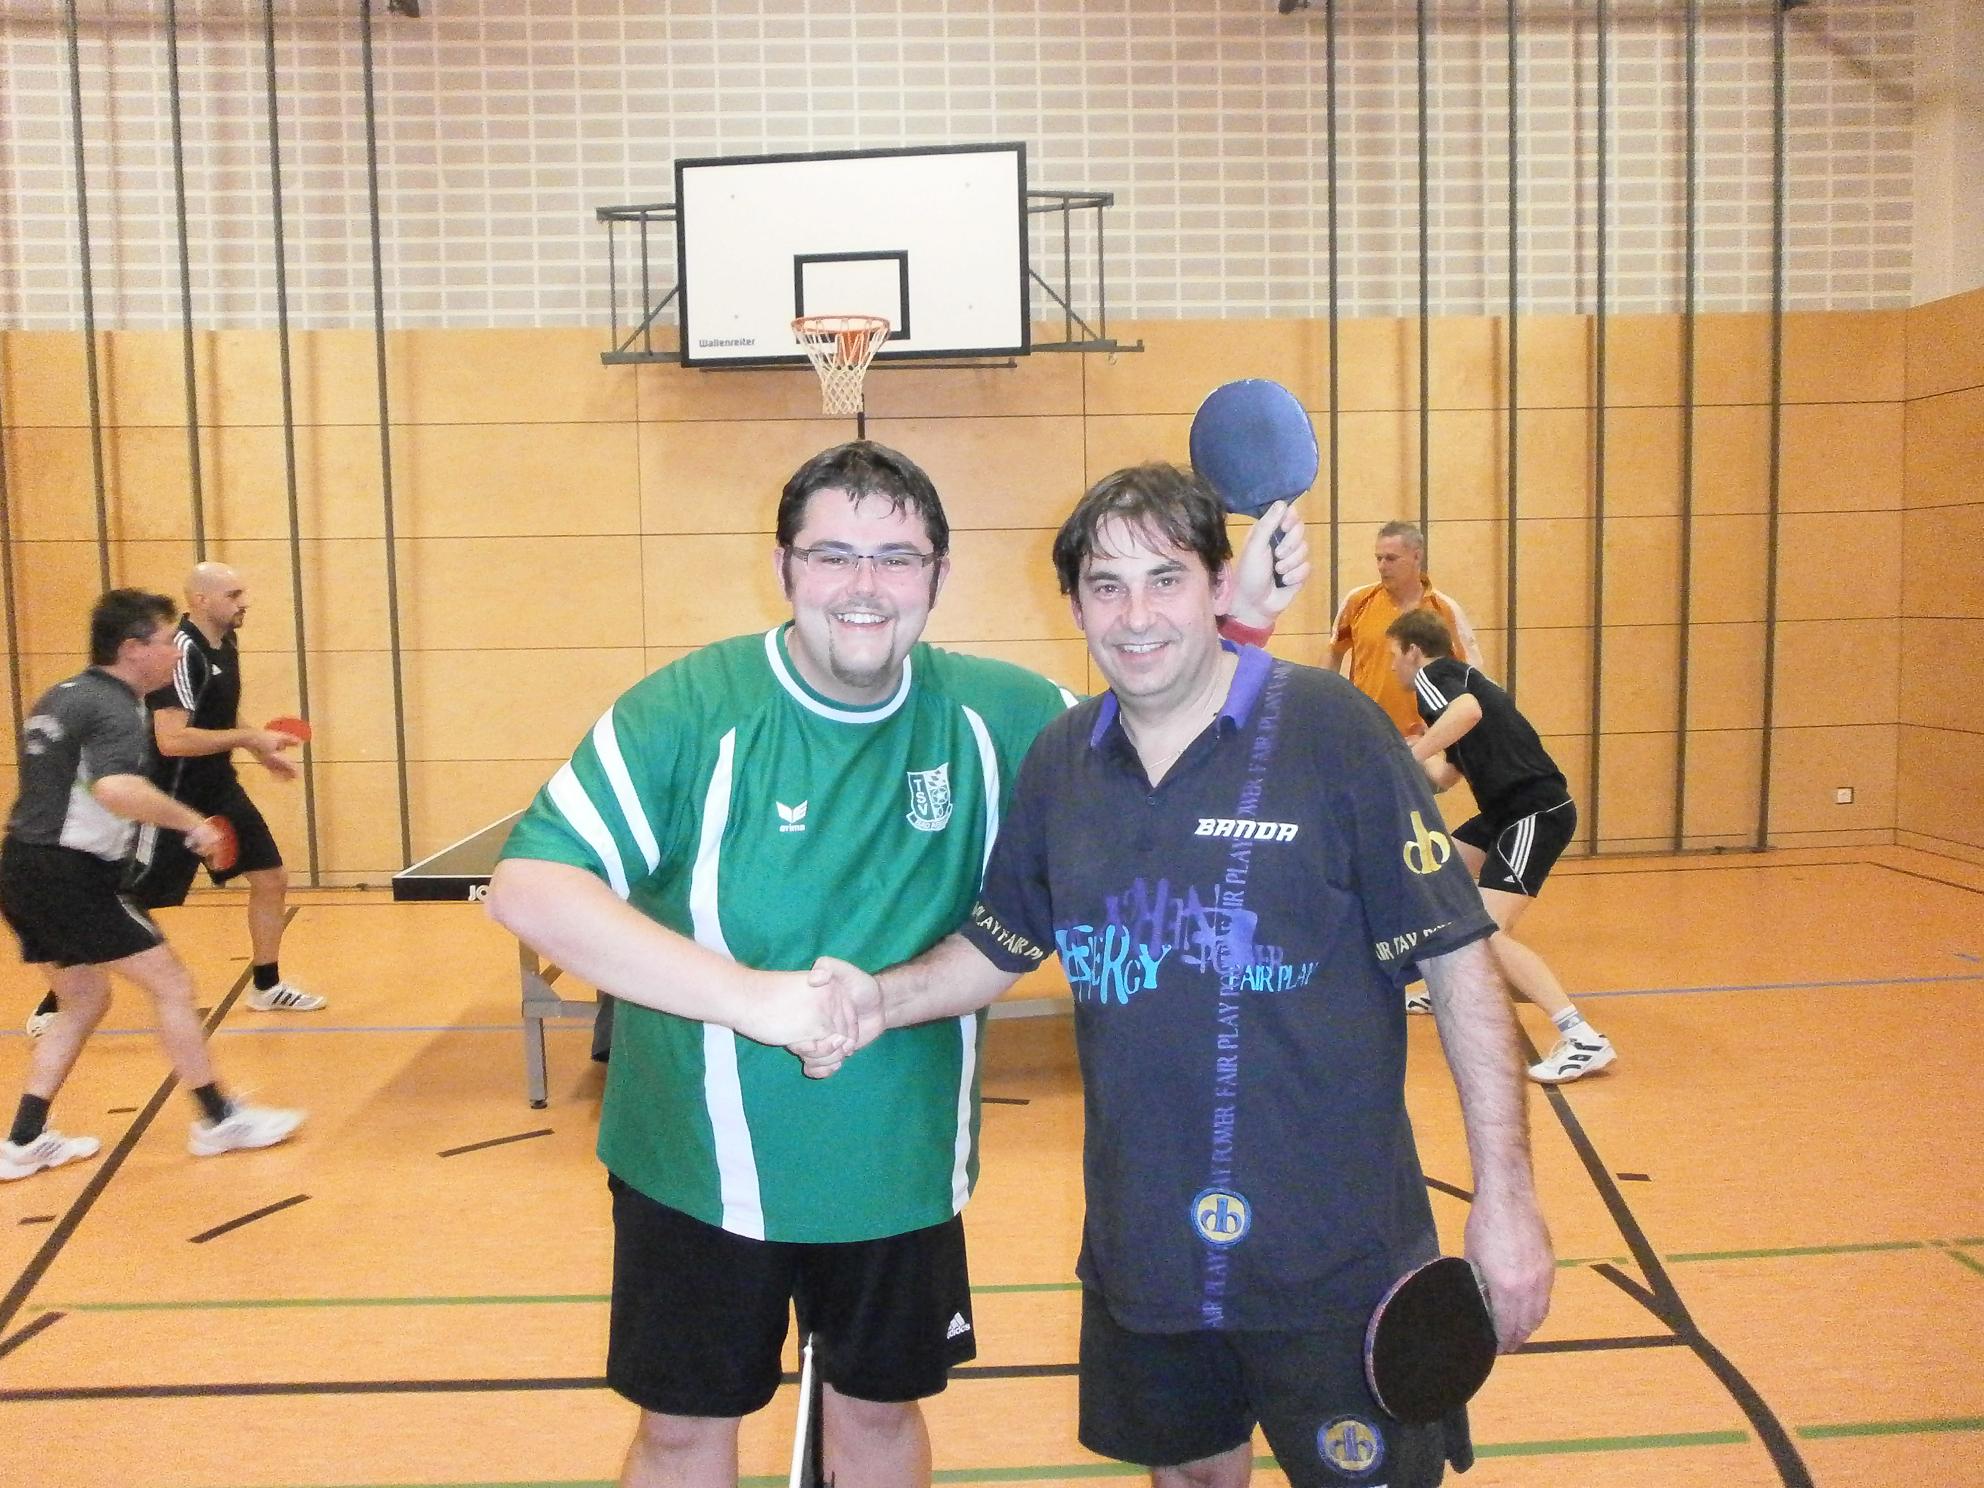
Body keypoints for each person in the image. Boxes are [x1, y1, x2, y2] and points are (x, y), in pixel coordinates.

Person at [482, 441, 1307, 1488]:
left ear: (937, 577)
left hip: (900, 1170)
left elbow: (1170, 736)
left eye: (896, 558)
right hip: (694, 1170)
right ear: (784, 568)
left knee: (877, 1420)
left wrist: (1242, 622)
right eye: (832, 555)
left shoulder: (1003, 714)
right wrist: (754, 1001)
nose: (863, 586)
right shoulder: (690, 709)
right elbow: (530, 886)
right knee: (683, 1433)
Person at [804, 464, 1552, 1488]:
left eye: (1165, 579)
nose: (1137, 614)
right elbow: (996, 942)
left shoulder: (1332, 731)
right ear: (1074, 606)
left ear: (1217, 588)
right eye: (1106, 586)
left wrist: (1505, 1200)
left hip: (1335, 1255)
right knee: (1191, 1477)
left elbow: (1458, 959)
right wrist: (875, 999)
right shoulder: (1062, 761)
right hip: (1148, 1253)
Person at [1, 589, 306, 1182]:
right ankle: (218, 1120)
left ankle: (24, 1139)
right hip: (67, 872)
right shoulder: (114, 706)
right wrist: (193, 823)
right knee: (170, 982)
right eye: (166, 642)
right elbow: (115, 789)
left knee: (84, 1000)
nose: (175, 652)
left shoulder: (62, 694)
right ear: (132, 649)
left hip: (20, 867)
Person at [29, 562, 325, 1038]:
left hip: (217, 786)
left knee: (271, 877)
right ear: (201, 600)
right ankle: (55, 1003)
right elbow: (172, 740)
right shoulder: (181, 654)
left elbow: (222, 713)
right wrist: (249, 738)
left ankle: (266, 985)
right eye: (233, 594)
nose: (244, 602)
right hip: (170, 796)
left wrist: (257, 746)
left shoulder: (224, 643)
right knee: (126, 902)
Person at [1386, 609, 1615, 1085]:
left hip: (1533, 810)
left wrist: (1408, 755)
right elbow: (1446, 778)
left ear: (1414, 651)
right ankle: (1448, 982)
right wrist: (1419, 750)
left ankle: (1581, 1037)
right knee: (1433, 873)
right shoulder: (1450, 692)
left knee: (1489, 930)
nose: (1392, 667)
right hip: (1501, 813)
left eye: (1394, 656)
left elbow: (1467, 712)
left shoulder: (1436, 676)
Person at [1328, 520, 1482, 736]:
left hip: (1424, 737)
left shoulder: (1445, 609)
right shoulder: (1358, 601)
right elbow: (1333, 653)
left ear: (1417, 557)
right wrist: (1327, 705)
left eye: (1391, 558)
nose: (1382, 566)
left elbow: (1469, 674)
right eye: (1379, 558)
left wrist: (1444, 728)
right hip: (1366, 731)